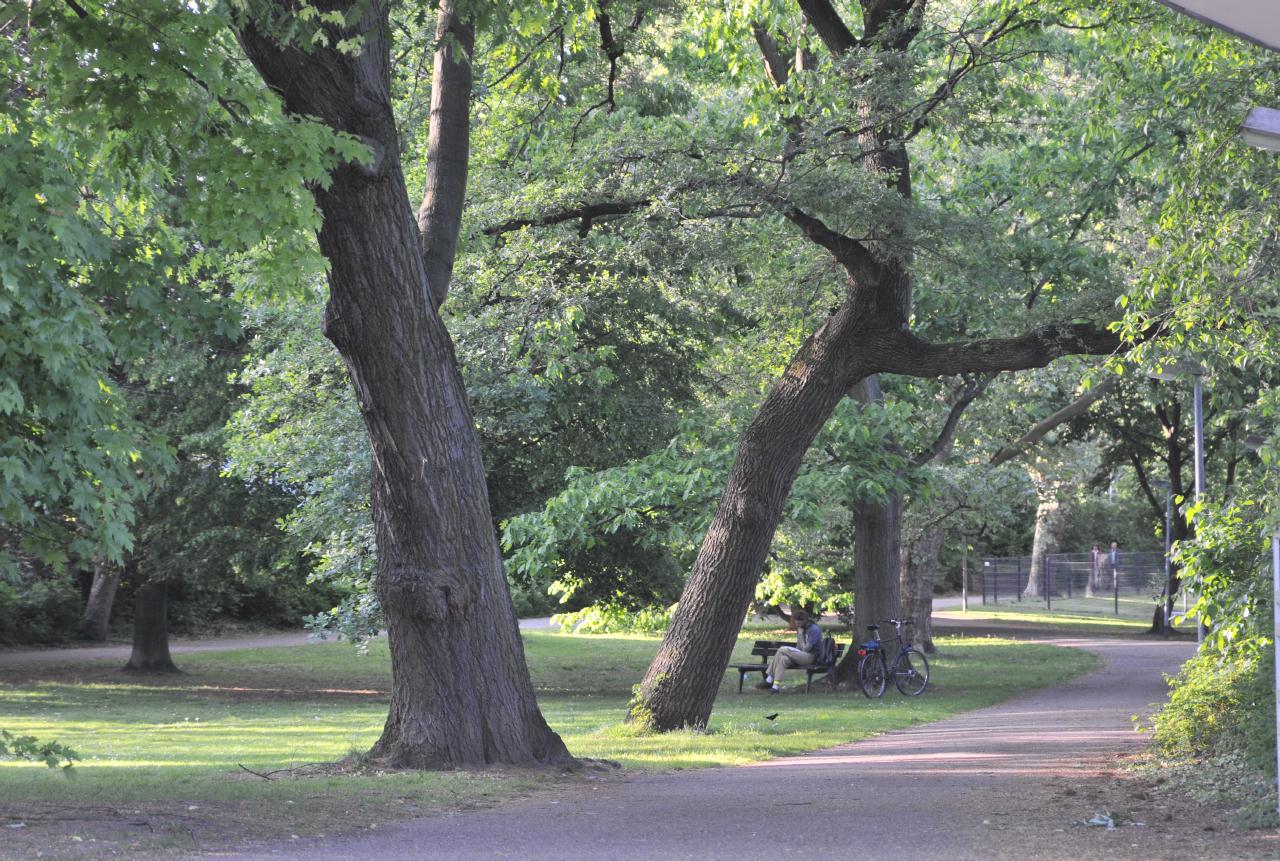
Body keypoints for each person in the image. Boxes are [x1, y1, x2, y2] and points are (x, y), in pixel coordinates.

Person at [758, 609, 822, 693]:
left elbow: (806, 649)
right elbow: (799, 647)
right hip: (800, 656)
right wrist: (800, 635)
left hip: (811, 657)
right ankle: (775, 688)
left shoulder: (814, 630)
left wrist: (800, 634)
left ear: (805, 621)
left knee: (782, 649)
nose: (797, 625)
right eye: (796, 623)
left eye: (799, 623)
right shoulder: (801, 628)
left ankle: (769, 678)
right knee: (783, 659)